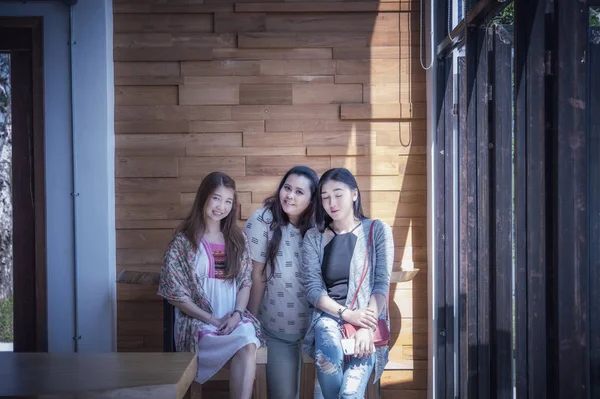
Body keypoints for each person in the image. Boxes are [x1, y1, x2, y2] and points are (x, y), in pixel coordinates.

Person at [158, 171, 263, 399]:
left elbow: (245, 280)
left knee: (247, 339)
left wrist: (236, 314)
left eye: (228, 201)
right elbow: (175, 293)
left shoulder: (237, 238)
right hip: (197, 322)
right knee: (238, 340)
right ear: (204, 197)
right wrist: (211, 320)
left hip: (232, 318)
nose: (221, 207)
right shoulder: (184, 242)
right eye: (216, 198)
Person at [301, 168, 394, 399]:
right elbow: (314, 290)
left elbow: (381, 284)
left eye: (338, 194)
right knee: (324, 332)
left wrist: (366, 326)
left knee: (350, 393)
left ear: (354, 194)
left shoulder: (378, 231)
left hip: (366, 321)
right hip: (330, 320)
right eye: (325, 197)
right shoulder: (314, 237)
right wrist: (347, 315)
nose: (331, 202)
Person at [244, 166, 319, 399]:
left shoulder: (320, 227)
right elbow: (257, 275)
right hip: (277, 332)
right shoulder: (263, 220)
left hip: (316, 332)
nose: (290, 196)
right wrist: (251, 323)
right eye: (287, 188)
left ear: (311, 199)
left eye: (299, 192)